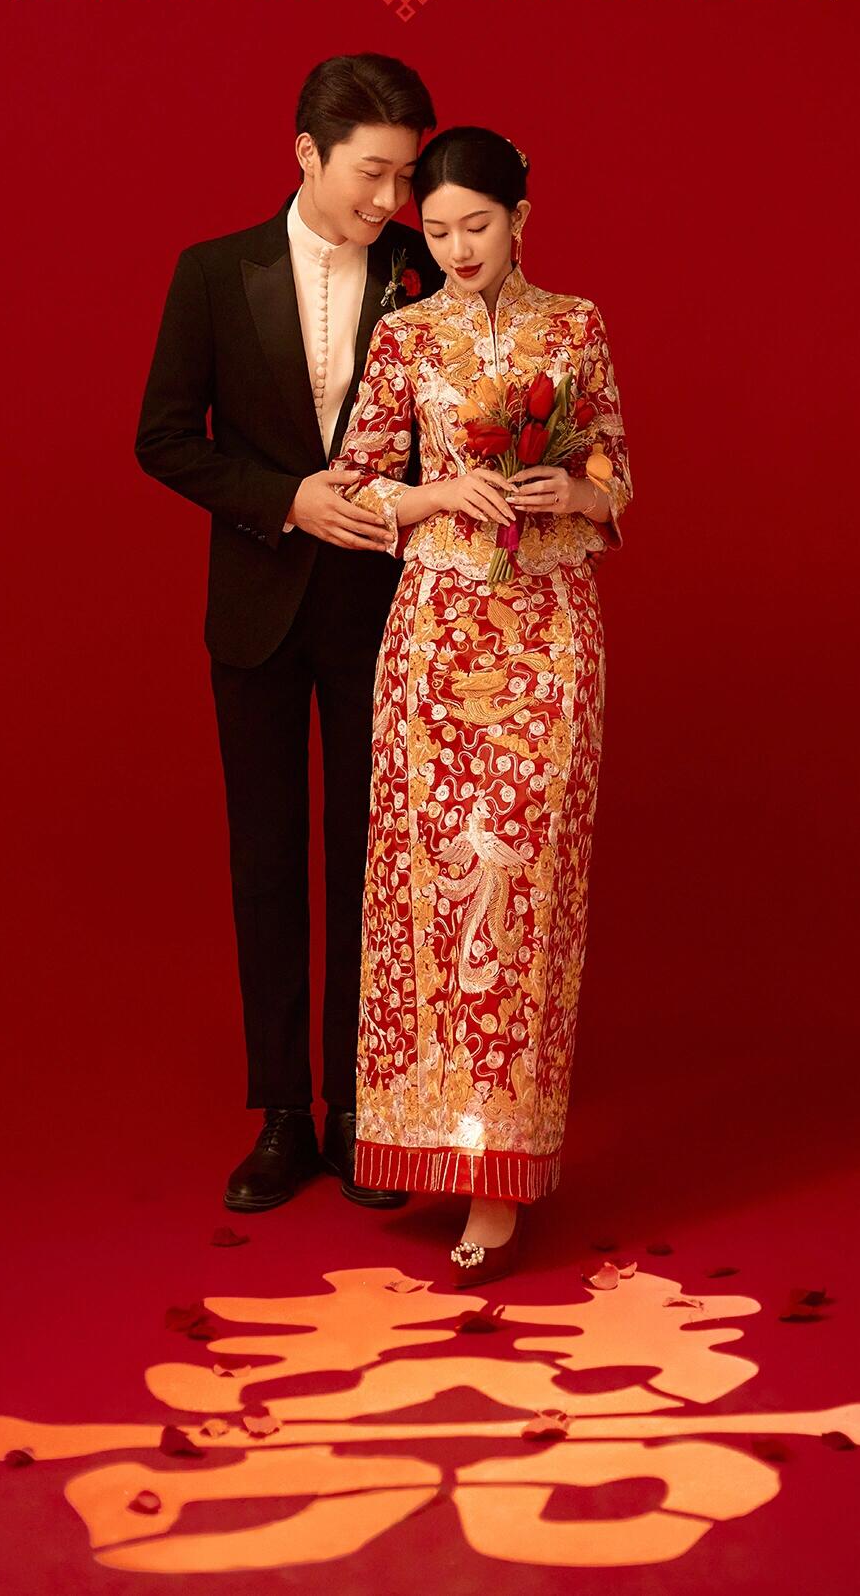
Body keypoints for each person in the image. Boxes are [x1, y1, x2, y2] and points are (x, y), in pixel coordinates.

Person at [134, 54, 444, 1214]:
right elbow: (164, 437)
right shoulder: (213, 272)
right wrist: (284, 499)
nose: (392, 200)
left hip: (385, 610)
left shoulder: (423, 268)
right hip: (256, 609)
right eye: (372, 173)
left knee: (371, 864)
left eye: (405, 176)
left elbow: (452, 428)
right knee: (264, 861)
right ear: (307, 154)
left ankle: (361, 1109)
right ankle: (281, 1114)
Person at [330, 126, 632, 1287]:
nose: (457, 248)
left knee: (524, 890)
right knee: (428, 883)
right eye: (439, 229)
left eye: (477, 226)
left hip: (548, 636)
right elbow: (359, 486)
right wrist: (436, 494)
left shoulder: (576, 326)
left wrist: (574, 488)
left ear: (520, 217)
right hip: (436, 636)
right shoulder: (405, 335)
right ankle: (434, 1143)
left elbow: (614, 469)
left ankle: (500, 1174)